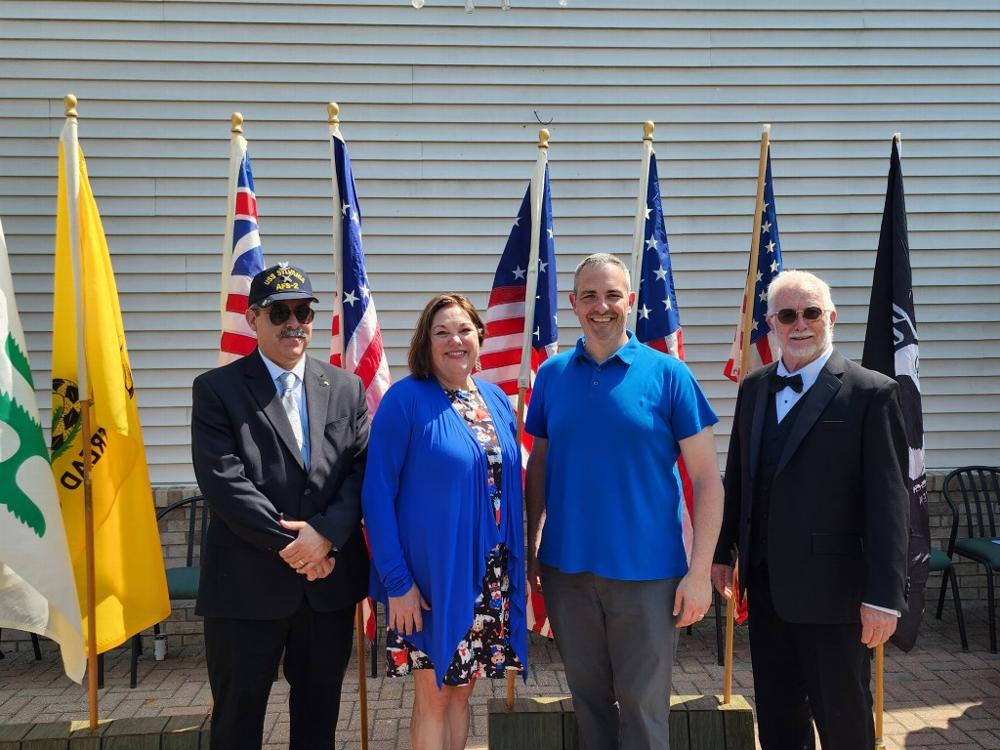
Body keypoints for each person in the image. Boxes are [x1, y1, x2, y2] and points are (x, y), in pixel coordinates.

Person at [524, 253, 724, 750]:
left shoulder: (669, 374)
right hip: (567, 572)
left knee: (643, 711)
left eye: (612, 294)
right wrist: (530, 548)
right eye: (589, 295)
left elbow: (707, 479)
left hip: (649, 575)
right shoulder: (551, 376)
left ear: (629, 301)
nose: (601, 306)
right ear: (572, 304)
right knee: (589, 705)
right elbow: (539, 467)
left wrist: (699, 573)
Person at [711, 269, 909, 749]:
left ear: (831, 318)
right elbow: (739, 475)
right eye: (787, 314)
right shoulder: (754, 387)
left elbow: (889, 501)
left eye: (811, 312)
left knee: (844, 722)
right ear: (772, 324)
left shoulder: (870, 392)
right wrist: (724, 550)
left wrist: (884, 597)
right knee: (779, 723)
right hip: (765, 589)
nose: (800, 324)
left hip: (835, 598)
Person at [191, 263, 369, 750]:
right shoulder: (216, 390)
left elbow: (358, 473)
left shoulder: (347, 387)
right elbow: (224, 481)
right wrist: (299, 545)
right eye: (280, 312)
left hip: (326, 586)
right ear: (253, 318)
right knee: (237, 720)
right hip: (246, 587)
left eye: (304, 311)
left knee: (319, 719)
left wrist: (326, 536)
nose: (295, 323)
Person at [363, 293, 528, 750]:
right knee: (434, 697)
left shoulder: (493, 398)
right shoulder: (406, 399)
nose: (455, 340)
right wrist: (397, 582)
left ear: (480, 336)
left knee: (461, 695)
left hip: (487, 575)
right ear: (426, 342)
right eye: (442, 332)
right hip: (429, 581)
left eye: (463, 330)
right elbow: (377, 494)